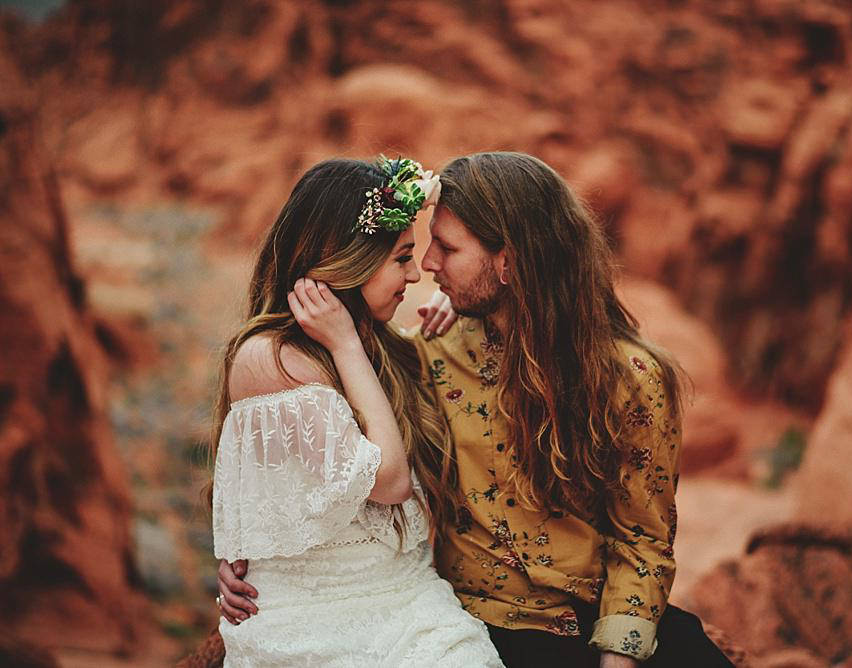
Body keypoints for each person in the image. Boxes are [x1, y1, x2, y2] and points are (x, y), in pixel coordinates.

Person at [220, 152, 733, 667]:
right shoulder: (426, 355)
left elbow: (642, 540)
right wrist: (251, 560)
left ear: (509, 262)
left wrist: (617, 658)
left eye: (446, 248)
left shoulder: (633, 380)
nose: (428, 265)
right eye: (419, 250)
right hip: (473, 625)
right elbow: (302, 443)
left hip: (594, 620)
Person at [209, 156, 503, 667]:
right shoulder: (271, 357)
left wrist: (468, 306)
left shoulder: (385, 349)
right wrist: (345, 346)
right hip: (319, 619)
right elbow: (388, 482)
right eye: (401, 258)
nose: (416, 274)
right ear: (347, 261)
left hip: (409, 601)